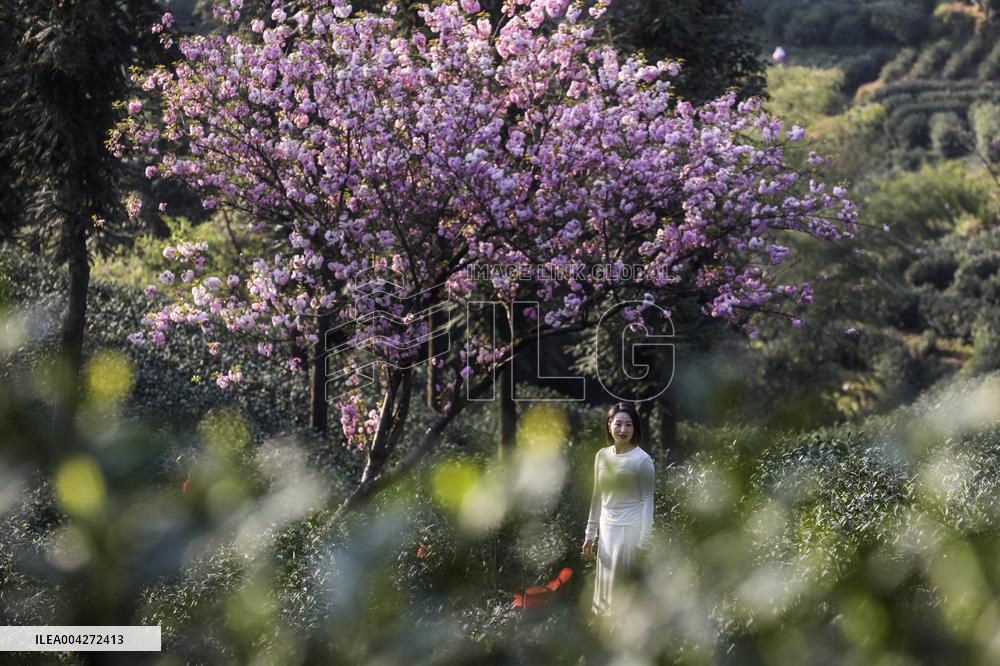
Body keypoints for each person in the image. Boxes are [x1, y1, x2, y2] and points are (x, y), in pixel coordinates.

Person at [582, 402, 655, 616]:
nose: (623, 430)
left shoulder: (642, 460)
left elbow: (648, 499)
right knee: (605, 588)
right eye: (618, 424)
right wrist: (590, 534)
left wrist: (644, 540)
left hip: (629, 532)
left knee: (625, 593)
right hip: (606, 530)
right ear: (609, 425)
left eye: (629, 425)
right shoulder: (601, 456)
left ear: (635, 429)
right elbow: (597, 494)